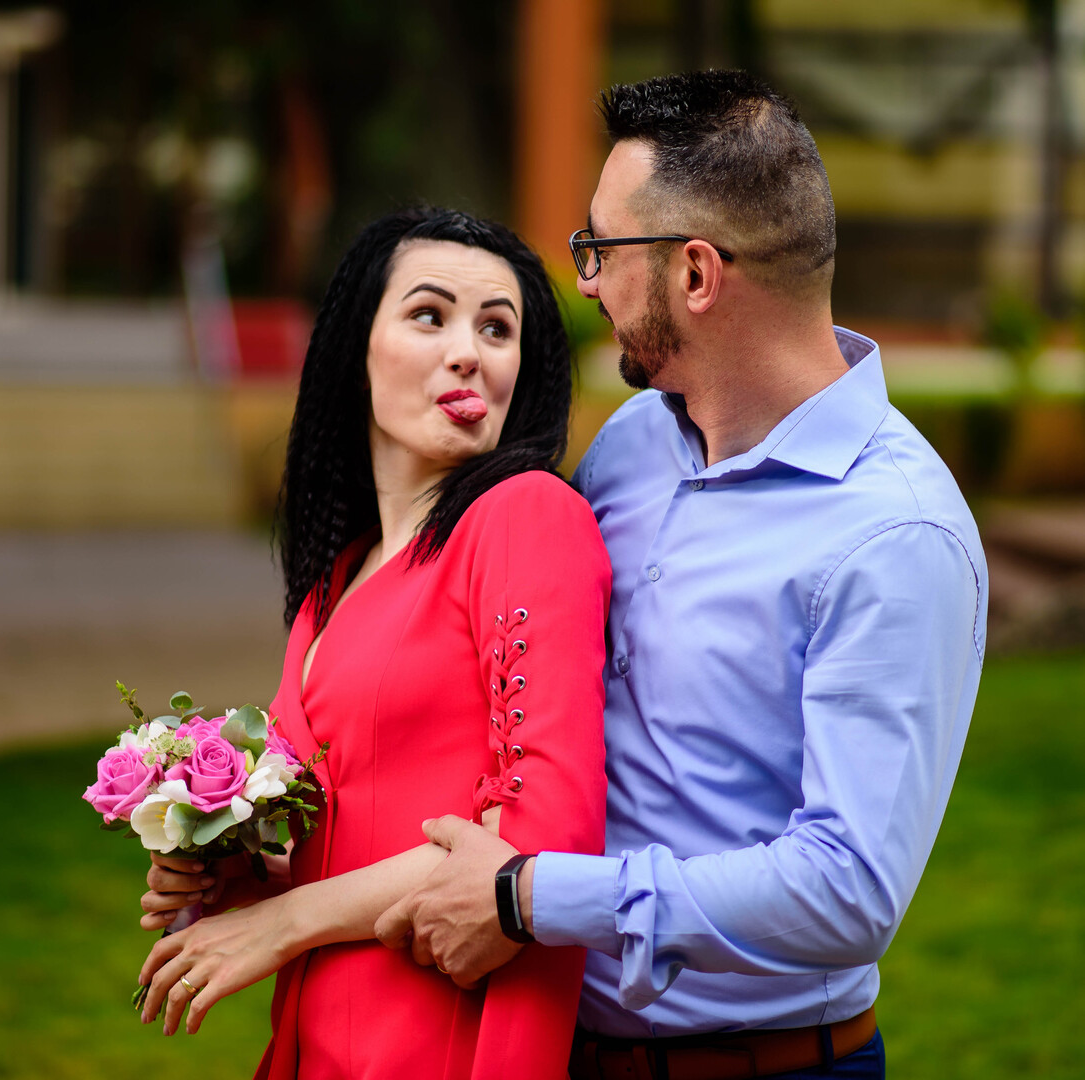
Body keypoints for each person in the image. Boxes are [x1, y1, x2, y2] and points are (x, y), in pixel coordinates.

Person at [375, 71, 987, 1080]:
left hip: (768, 1066)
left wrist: (532, 898)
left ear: (695, 275)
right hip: (555, 1044)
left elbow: (846, 892)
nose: (582, 282)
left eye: (600, 251)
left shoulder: (892, 534)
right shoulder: (630, 445)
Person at [132, 206, 612, 1078]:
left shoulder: (525, 517)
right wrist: (228, 877)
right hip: (322, 1043)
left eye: (497, 328)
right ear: (357, 351)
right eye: (429, 315)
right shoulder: (334, 581)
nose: (468, 350)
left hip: (449, 1039)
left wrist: (281, 925)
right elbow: (347, 842)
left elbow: (537, 839)